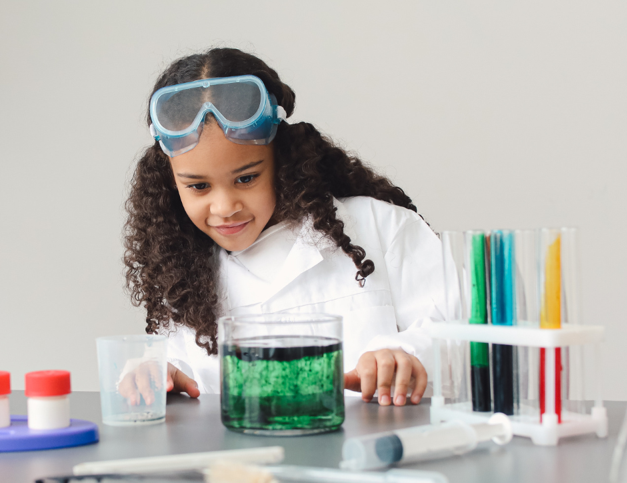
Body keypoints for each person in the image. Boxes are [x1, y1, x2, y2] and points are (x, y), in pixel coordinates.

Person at [122, 47, 446, 407]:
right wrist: (157, 372)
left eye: (246, 178)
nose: (225, 207)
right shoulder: (182, 278)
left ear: (281, 158)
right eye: (198, 186)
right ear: (170, 183)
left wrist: (405, 352)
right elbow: (184, 375)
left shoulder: (380, 227)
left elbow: (465, 328)